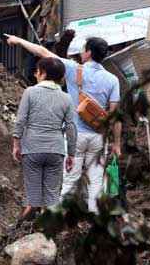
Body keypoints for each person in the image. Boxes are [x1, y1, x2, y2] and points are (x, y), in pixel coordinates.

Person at [7, 35, 121, 214]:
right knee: (97, 180)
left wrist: (19, 41)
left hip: (76, 136)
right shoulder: (112, 80)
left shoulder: (74, 69)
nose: (81, 52)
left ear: (89, 53)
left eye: (83, 49)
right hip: (99, 136)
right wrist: (116, 143)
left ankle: (62, 221)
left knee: (70, 180)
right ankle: (94, 220)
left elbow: (43, 53)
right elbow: (115, 115)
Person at [12, 57, 77, 221]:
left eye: (38, 71)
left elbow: (20, 120)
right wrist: (71, 154)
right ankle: (50, 233)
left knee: (33, 196)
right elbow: (70, 128)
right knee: (51, 197)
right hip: (56, 150)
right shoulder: (66, 98)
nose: (36, 74)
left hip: (32, 149)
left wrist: (16, 144)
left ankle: (23, 227)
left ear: (43, 73)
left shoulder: (30, 92)